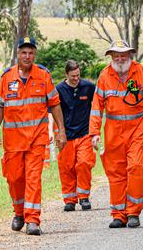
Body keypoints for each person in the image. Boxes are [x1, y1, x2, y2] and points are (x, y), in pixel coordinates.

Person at [0, 37, 67, 236]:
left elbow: (55, 105)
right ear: (17, 54)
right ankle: (19, 213)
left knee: (33, 178)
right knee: (14, 178)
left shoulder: (43, 76)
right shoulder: (7, 77)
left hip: (36, 140)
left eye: (31, 52)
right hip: (13, 142)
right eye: (23, 52)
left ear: (35, 55)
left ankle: (33, 220)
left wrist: (61, 132)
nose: (27, 56)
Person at [89, 40, 143, 229]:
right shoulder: (105, 75)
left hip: (137, 128)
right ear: (111, 57)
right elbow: (97, 106)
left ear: (130, 55)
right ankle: (118, 214)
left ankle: (133, 212)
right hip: (113, 130)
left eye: (123, 55)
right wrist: (94, 132)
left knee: (137, 167)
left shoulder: (142, 72)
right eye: (116, 55)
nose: (120, 59)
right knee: (116, 173)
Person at [56, 60, 97, 212]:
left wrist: (95, 132)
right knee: (66, 168)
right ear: (66, 74)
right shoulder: (59, 89)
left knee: (85, 163)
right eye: (73, 76)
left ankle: (84, 197)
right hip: (66, 136)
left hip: (84, 133)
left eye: (78, 75)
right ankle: (70, 200)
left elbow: (98, 105)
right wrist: (54, 133)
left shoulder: (88, 87)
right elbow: (53, 111)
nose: (76, 78)